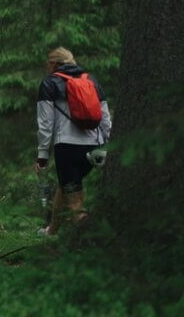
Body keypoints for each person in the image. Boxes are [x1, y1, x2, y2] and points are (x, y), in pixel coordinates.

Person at [35, 47, 112, 236]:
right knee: (66, 185)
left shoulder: (49, 83)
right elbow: (105, 118)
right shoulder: (91, 80)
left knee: (75, 203)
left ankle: (93, 242)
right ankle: (52, 231)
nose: (46, 66)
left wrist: (42, 156)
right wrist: (109, 144)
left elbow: (45, 124)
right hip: (94, 147)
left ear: (54, 63)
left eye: (48, 63)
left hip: (67, 148)